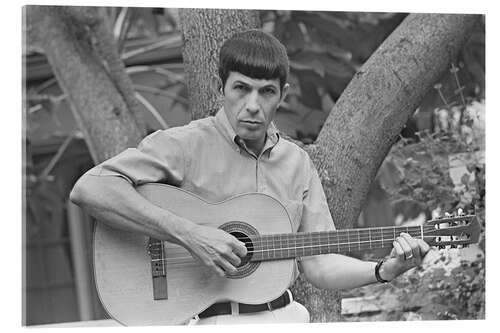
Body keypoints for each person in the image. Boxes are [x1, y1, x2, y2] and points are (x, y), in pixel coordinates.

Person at [70, 29, 430, 325]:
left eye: (266, 91)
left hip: (286, 318)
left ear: (282, 96)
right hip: (205, 321)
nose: (253, 105)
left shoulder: (297, 164)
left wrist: (384, 269)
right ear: (222, 86)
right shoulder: (184, 145)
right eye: (241, 88)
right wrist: (189, 234)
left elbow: (320, 264)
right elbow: (90, 189)